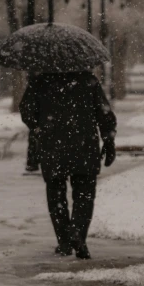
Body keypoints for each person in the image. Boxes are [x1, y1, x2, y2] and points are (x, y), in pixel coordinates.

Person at [19, 70, 117, 259]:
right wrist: (108, 138)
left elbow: (26, 110)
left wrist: (39, 128)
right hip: (84, 145)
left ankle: (64, 241)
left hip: (52, 146)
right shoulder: (88, 80)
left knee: (56, 195)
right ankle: (78, 231)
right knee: (85, 195)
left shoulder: (40, 80)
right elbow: (103, 111)